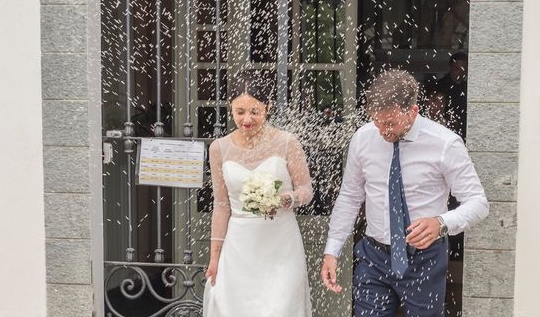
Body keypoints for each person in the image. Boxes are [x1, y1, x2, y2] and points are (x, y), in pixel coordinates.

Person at [320, 70, 488, 317]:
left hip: (425, 259)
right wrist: (332, 250)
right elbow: (350, 197)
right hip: (373, 257)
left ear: (413, 111)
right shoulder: (363, 139)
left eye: (390, 123)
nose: (382, 131)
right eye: (377, 121)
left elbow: (478, 203)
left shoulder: (446, 144)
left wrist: (442, 223)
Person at [202, 70, 313, 316]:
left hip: (281, 245)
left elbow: (306, 190)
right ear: (230, 109)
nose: (247, 119)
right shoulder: (219, 149)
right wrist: (214, 258)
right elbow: (221, 206)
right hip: (239, 247)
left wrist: (288, 199)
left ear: (268, 107)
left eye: (255, 111)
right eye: (239, 112)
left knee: (280, 309)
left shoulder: (287, 142)